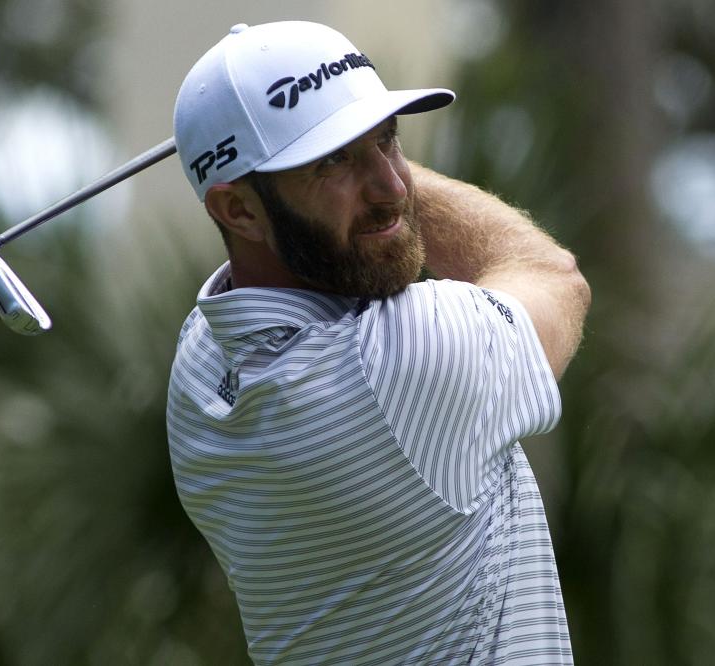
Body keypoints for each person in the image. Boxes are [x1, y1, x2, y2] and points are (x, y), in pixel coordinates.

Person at [166, 20, 590, 666]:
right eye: (332, 162)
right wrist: (350, 128)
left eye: (388, 140)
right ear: (239, 211)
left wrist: (324, 140)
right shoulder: (398, 365)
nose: (394, 187)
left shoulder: (200, 369)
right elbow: (552, 276)